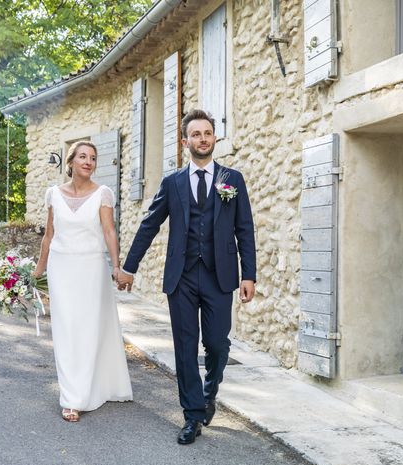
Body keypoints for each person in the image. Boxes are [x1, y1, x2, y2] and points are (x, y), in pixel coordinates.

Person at [118, 109, 256, 445]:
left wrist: (248, 275)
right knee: (184, 348)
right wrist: (129, 267)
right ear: (185, 142)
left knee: (218, 344)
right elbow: (149, 225)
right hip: (181, 277)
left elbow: (245, 229)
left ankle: (210, 394)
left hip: (220, 276)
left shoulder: (231, 180)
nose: (203, 139)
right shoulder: (173, 182)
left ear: (214, 138)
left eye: (207, 133)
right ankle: (192, 415)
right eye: (196, 134)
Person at [34, 140, 133, 422]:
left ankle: (90, 387)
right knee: (66, 330)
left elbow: (110, 232)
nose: (88, 162)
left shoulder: (103, 194)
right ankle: (72, 398)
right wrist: (38, 270)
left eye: (92, 158)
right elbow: (49, 236)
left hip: (91, 268)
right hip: (60, 268)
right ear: (71, 162)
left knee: (88, 329)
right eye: (82, 157)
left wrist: (116, 266)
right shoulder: (53, 194)